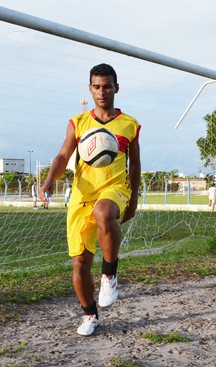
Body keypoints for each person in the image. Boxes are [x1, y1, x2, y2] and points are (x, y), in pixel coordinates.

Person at [40, 63, 141, 336]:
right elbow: (63, 156)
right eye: (96, 87)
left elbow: (134, 166)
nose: (102, 92)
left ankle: (109, 274)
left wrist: (133, 200)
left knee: (104, 212)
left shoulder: (129, 124)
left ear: (116, 88)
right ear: (90, 89)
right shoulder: (78, 122)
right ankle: (90, 314)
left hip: (114, 188)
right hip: (82, 195)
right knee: (80, 265)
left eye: (107, 86)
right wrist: (50, 179)